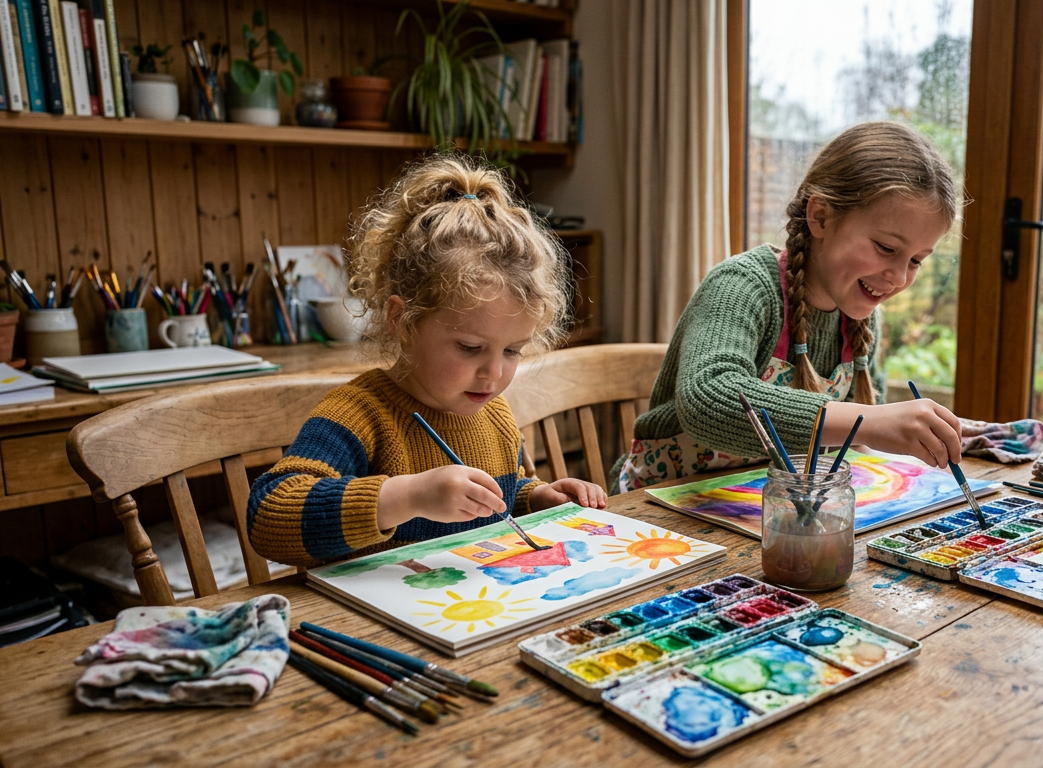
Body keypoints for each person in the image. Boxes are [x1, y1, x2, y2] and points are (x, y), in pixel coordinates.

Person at [248, 154, 606, 567]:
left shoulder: (494, 417)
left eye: (512, 351)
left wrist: (536, 497)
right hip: (371, 621)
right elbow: (268, 516)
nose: (494, 373)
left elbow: (496, 498)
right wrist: (407, 496)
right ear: (403, 320)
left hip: (469, 615)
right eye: (470, 348)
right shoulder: (359, 415)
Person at [614, 121, 964, 492]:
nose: (898, 276)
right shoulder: (743, 286)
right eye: (887, 248)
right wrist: (870, 421)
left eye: (916, 261)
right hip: (665, 507)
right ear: (821, 217)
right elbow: (707, 399)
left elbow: (857, 445)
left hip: (767, 505)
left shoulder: (860, 319)